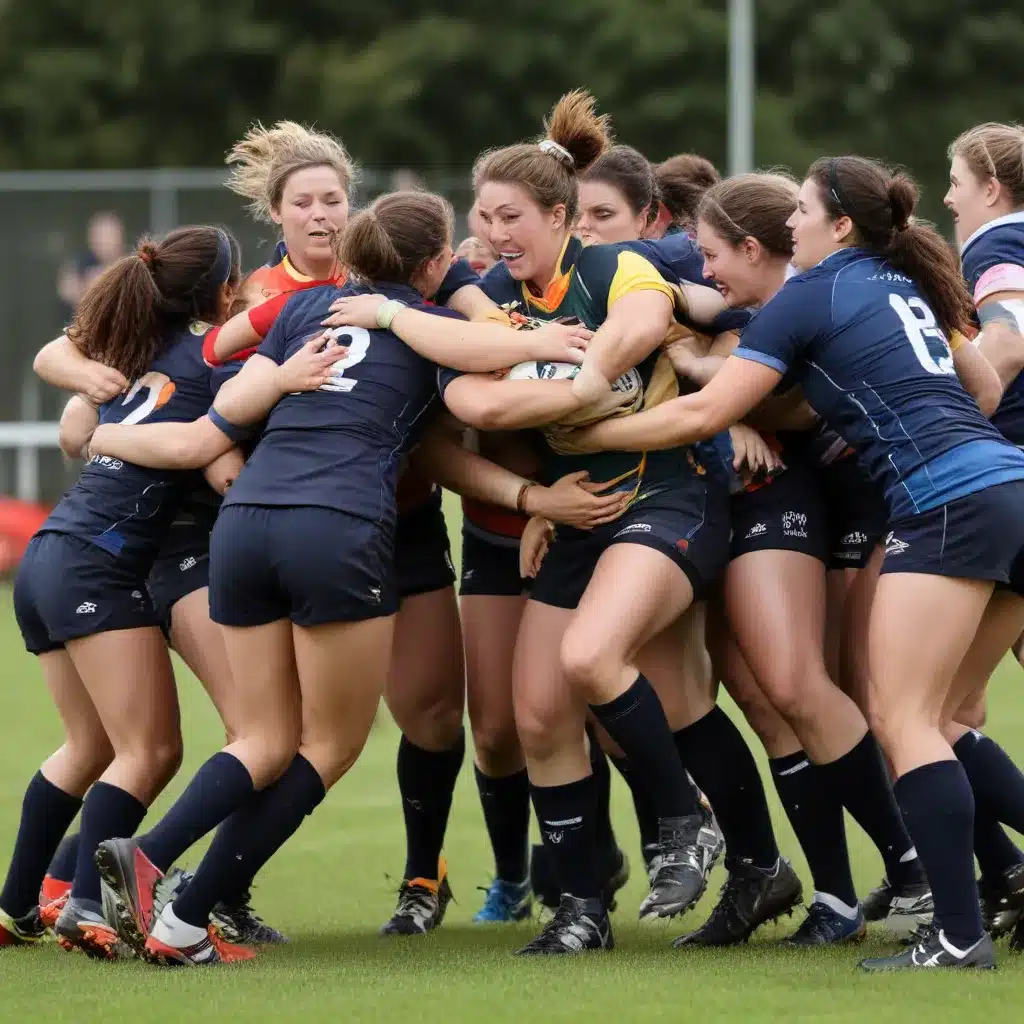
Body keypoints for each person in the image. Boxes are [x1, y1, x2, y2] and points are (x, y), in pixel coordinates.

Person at [326, 91, 795, 956]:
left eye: (512, 216)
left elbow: (645, 323)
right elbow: (461, 408)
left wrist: (576, 392)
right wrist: (535, 492)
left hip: (665, 497)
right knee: (537, 713)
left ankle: (681, 826)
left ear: (559, 214)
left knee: (592, 662)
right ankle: (583, 909)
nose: (494, 232)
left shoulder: (617, 267)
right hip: (577, 516)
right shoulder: (490, 299)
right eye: (483, 216)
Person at [84, 190, 591, 965]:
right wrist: (554, 344)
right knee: (329, 745)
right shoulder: (437, 330)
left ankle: (156, 873)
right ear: (432, 266)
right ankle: (173, 891)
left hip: (244, 522)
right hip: (337, 525)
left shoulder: (303, 310)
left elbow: (216, 350)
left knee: (262, 737)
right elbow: (487, 372)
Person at [567, 154, 1024, 971]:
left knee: (904, 719)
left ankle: (957, 937)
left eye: (804, 212)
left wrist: (589, 432)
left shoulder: (811, 292)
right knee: (946, 718)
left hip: (947, 504)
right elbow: (986, 390)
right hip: (1008, 486)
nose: (794, 224)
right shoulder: (898, 275)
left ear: (837, 224)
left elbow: (705, 411)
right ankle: (988, 892)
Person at [0, 226, 244, 957]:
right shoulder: (212, 362)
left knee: (89, 746)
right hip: (95, 565)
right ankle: (84, 907)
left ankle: (15, 906)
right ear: (220, 295)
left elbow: (75, 415)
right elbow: (217, 464)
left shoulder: (138, 352)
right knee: (152, 749)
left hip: (47, 556)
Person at [943, 121, 1024, 942]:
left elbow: (1004, 339)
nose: (948, 196)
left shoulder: (998, 246)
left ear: (992, 189)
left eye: (957, 179)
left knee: (926, 717)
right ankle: (1004, 875)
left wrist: (961, 393)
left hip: (1003, 492)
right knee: (948, 709)